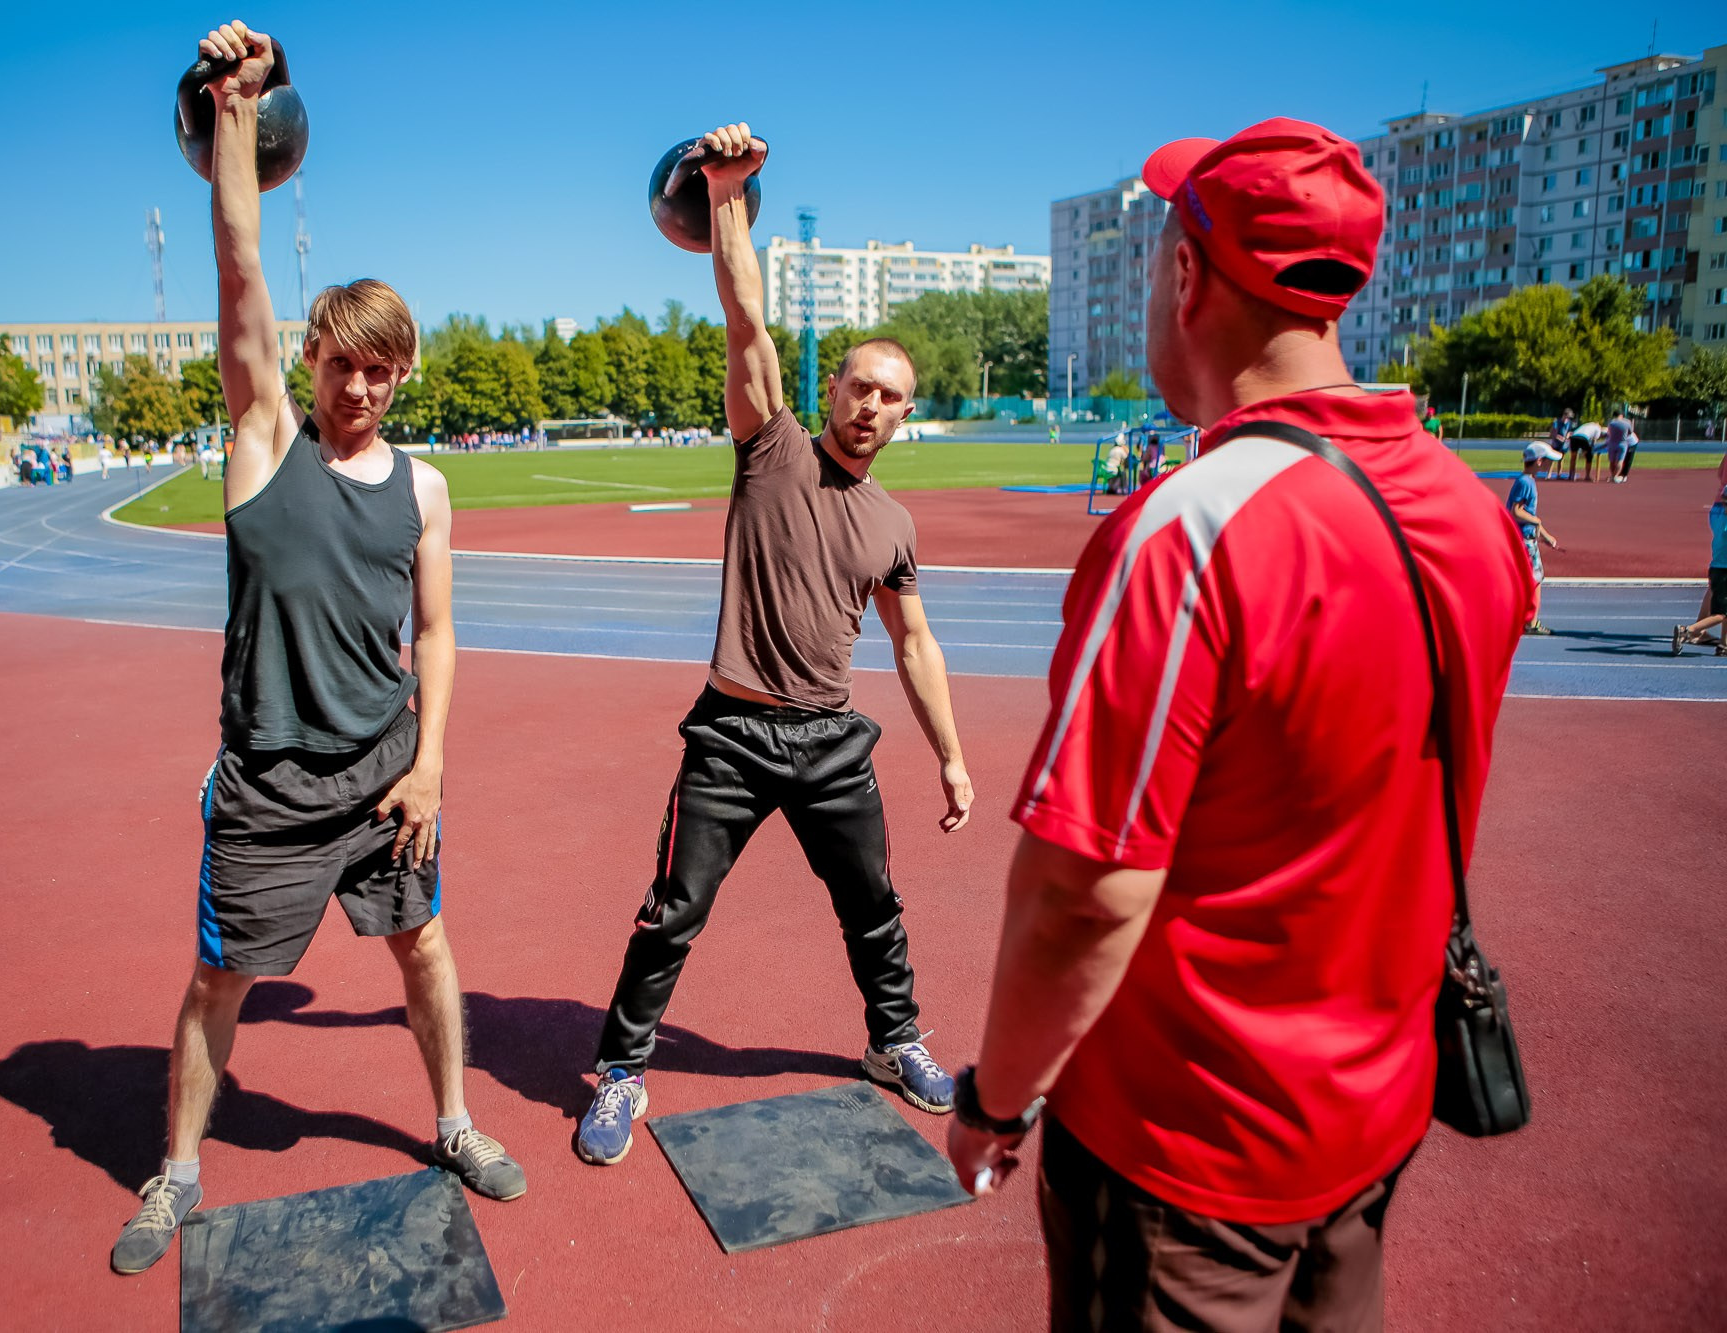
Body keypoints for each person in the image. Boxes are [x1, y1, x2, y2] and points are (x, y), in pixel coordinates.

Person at [946, 118, 1530, 1330]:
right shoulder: (1473, 516)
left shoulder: (1191, 525)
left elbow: (1082, 891)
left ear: (1183, 275)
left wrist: (996, 1100)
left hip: (1188, 1145)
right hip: (1372, 1110)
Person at [109, 20, 525, 1278]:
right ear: (310, 359)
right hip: (269, 783)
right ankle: (175, 1169)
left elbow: (438, 634)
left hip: (386, 773)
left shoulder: (430, 489)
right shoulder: (260, 447)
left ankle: (451, 1119)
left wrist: (434, 762)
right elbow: (239, 261)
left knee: (427, 951)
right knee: (217, 981)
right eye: (345, 366)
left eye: (384, 371)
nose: (363, 390)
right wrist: (236, 109)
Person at [574, 122, 975, 1167]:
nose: (869, 405)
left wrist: (950, 751)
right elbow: (744, 315)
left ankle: (894, 1044)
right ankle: (619, 1071)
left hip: (831, 740)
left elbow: (915, 643)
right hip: (732, 736)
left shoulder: (891, 523)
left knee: (874, 909)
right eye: (857, 386)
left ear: (902, 414)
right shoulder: (771, 447)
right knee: (672, 912)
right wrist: (726, 195)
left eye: (889, 395)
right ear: (831, 389)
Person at [1509, 444, 1562, 635]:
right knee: (1535, 579)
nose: (1551, 465)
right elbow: (1516, 511)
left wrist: (1545, 535)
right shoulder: (1526, 482)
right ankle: (1531, 622)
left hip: (1527, 537)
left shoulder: (1526, 481)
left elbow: (1527, 514)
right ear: (1539, 461)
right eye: (1548, 461)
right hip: (1525, 540)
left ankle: (1522, 618)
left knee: (1526, 580)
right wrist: (1537, 522)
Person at [1670, 479, 1727, 656]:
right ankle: (1688, 630)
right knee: (1721, 614)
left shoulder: (1718, 519)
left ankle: (1724, 645)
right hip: (1725, 570)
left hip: (1717, 568)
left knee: (1726, 609)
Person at [1606, 409, 1635, 483]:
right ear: (1621, 415)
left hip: (1612, 443)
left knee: (1612, 461)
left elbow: (1608, 432)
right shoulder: (1627, 422)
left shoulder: (1611, 423)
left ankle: (1612, 475)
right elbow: (1630, 432)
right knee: (1620, 461)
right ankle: (1616, 476)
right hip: (1622, 443)